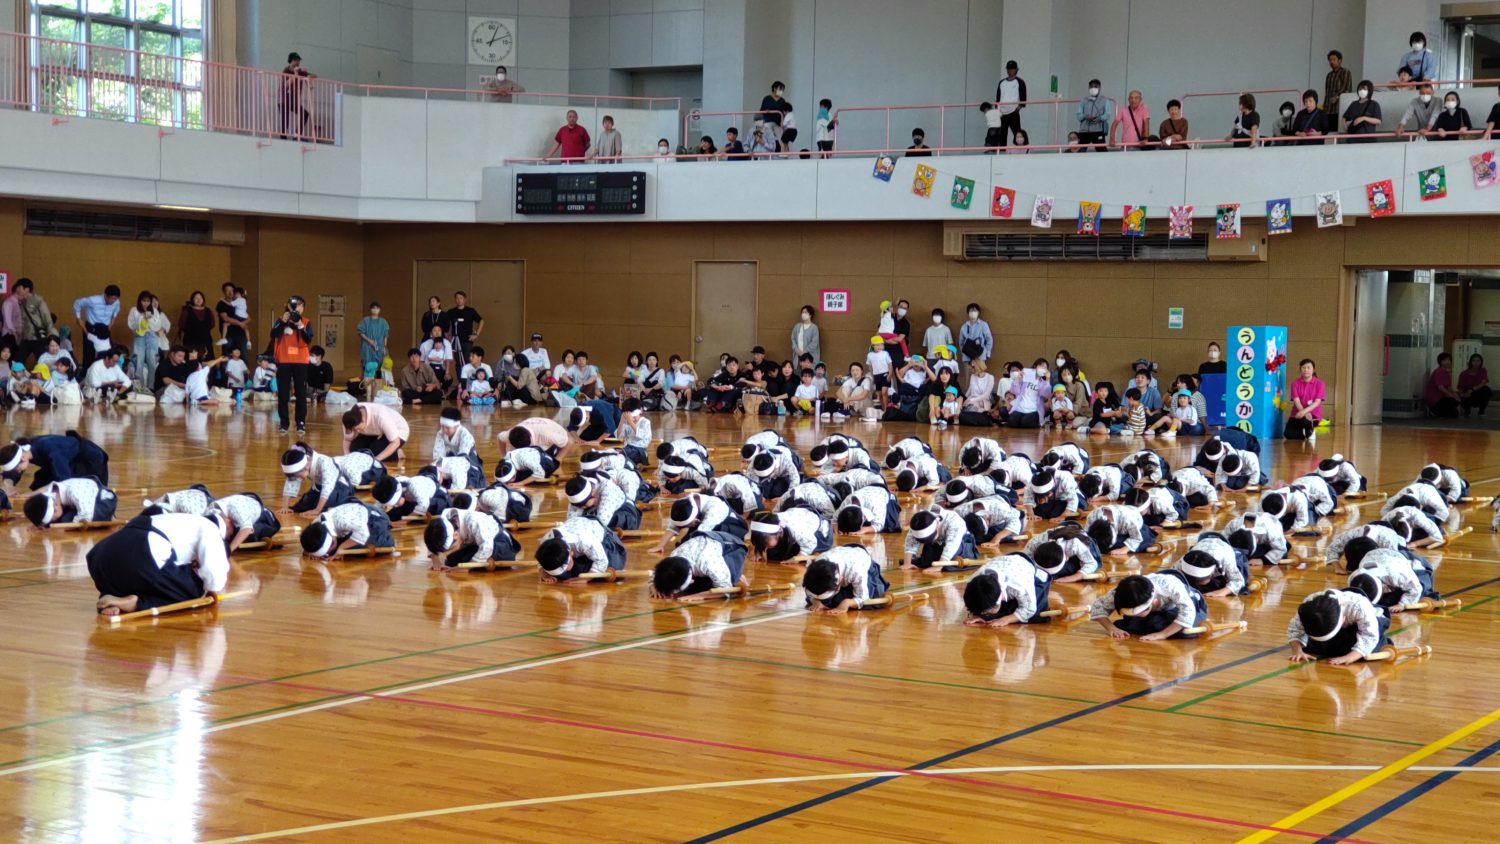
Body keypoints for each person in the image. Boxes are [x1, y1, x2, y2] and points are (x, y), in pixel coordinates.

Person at [87, 511, 230, 617]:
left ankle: (112, 598)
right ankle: (135, 604)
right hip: (142, 554)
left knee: (148, 578)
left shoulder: (175, 519)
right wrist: (211, 591)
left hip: (100, 557)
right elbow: (214, 572)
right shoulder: (210, 528)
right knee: (193, 591)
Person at [1090, 572, 1207, 641]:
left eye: (1138, 613)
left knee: (1185, 630)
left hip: (1184, 605)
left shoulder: (1170, 585)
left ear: (1154, 602)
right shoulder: (1120, 593)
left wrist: (1162, 635)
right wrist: (1111, 628)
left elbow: (1187, 611)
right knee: (1131, 624)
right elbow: (1098, 606)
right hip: (1154, 613)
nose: (1133, 616)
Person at [1287, 588, 1388, 665]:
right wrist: (1297, 651)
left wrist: (1350, 657)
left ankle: (1382, 641)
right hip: (1333, 625)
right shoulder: (1309, 605)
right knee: (1316, 647)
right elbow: (1295, 628)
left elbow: (1369, 636)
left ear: (1343, 619)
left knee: (1352, 649)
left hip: (1373, 620)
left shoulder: (1359, 607)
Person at [0, 431, 110, 492]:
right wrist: (8, 487)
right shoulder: (25, 449)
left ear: (23, 458)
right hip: (70, 460)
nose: (18, 472)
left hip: (89, 461)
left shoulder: (52, 451)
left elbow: (64, 482)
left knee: (53, 490)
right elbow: (10, 473)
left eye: (18, 470)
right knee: (41, 483)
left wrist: (35, 494)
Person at [270, 295, 313, 434]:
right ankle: (284, 423)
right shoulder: (281, 320)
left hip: (301, 361)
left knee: (300, 393)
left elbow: (308, 339)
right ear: (288, 306)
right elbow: (273, 334)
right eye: (295, 305)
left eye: (300, 305)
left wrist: (299, 325)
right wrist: (283, 320)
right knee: (283, 394)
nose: (297, 308)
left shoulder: (306, 322)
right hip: (283, 360)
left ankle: (300, 423)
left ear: (303, 308)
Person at [299, 501, 394, 558]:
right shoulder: (316, 524)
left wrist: (341, 548)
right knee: (335, 551)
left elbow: (363, 533)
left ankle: (386, 539)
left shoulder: (342, 521)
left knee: (350, 550)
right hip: (353, 523)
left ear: (332, 541)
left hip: (376, 519)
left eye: (328, 549)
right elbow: (307, 544)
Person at [23, 476, 118, 527]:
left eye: (52, 518)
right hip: (83, 502)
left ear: (55, 505)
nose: (53, 520)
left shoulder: (74, 492)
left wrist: (66, 527)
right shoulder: (52, 493)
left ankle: (109, 516)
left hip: (103, 501)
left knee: (64, 521)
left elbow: (86, 515)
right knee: (62, 520)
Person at [126, 291, 169, 393]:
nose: (146, 303)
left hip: (152, 337)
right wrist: (141, 318)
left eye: (148, 301)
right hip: (139, 336)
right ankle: (139, 387)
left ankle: (151, 387)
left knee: (152, 362)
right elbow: (131, 325)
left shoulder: (154, 310)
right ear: (139, 301)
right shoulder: (134, 310)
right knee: (138, 362)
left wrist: (149, 318)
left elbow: (157, 326)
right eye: (143, 301)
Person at [72, 284, 120, 370]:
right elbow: (77, 303)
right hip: (92, 327)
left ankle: (105, 373)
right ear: (105, 295)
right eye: (111, 298)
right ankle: (86, 375)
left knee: (108, 352)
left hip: (105, 329)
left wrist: (113, 320)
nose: (113, 301)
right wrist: (78, 318)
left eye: (115, 299)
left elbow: (116, 309)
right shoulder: (93, 300)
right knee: (89, 353)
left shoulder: (116, 302)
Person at [279, 52, 316, 139]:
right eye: (296, 60)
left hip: (293, 100)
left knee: (305, 114)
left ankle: (296, 134)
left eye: (299, 61)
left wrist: (308, 75)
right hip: (284, 98)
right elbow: (285, 85)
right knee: (285, 119)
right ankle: (283, 137)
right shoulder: (286, 70)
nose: (298, 62)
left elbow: (315, 76)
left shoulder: (300, 71)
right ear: (291, 61)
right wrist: (295, 75)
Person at [993, 60, 1027, 146]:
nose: (1010, 71)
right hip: (1002, 113)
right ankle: (1001, 153)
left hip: (1013, 112)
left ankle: (1021, 151)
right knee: (1002, 135)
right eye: (1008, 69)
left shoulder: (1020, 82)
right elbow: (998, 98)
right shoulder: (1002, 82)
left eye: (1012, 69)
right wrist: (997, 111)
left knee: (1017, 134)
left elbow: (1023, 98)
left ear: (1016, 70)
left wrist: (1017, 109)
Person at [175, 290, 214, 360]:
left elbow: (212, 324)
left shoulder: (208, 310)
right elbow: (181, 324)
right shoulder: (187, 311)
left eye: (200, 298)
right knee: (192, 363)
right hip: (191, 341)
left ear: (203, 299)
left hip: (206, 340)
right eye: (196, 298)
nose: (198, 300)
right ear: (192, 300)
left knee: (208, 361)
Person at [356, 301, 389, 381]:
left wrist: (384, 347)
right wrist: (369, 340)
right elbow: (360, 332)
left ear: (380, 310)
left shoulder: (383, 322)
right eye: (373, 308)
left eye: (377, 308)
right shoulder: (366, 320)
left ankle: (377, 388)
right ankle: (367, 388)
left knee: (379, 367)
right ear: (370, 309)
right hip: (367, 347)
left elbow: (385, 335)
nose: (375, 310)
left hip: (379, 347)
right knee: (367, 367)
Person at [215, 282, 250, 358]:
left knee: (243, 356)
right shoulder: (221, 303)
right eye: (227, 290)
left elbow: (248, 317)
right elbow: (225, 318)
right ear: (224, 292)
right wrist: (240, 323)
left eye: (232, 290)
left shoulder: (239, 302)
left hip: (241, 334)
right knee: (227, 357)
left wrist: (244, 323)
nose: (230, 292)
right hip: (228, 335)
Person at [1075, 79, 1111, 151]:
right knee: (1079, 151)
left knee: (1102, 151)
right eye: (1091, 86)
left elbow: (1108, 114)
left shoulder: (1105, 100)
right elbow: (1078, 115)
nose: (1093, 88)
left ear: (1099, 88)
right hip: (1084, 130)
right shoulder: (1084, 100)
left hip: (1098, 130)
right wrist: (1085, 116)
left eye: (1095, 86)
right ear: (1088, 88)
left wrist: (1100, 118)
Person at [957, 304, 992, 374]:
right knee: (968, 379)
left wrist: (988, 353)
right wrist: (964, 352)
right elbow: (961, 342)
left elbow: (989, 339)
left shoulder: (983, 325)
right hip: (967, 357)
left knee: (980, 377)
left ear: (978, 313)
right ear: (968, 313)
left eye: (975, 311)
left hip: (980, 356)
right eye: (971, 311)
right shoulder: (964, 326)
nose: (973, 312)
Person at [1425, 352, 1461, 418]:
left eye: (1449, 360)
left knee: (1455, 412)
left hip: (1442, 398)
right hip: (1435, 400)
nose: (1447, 362)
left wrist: (1455, 394)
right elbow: (1440, 387)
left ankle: (1438, 413)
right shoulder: (1438, 371)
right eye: (1444, 360)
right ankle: (1433, 411)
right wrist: (1451, 395)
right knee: (1452, 401)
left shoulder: (1446, 372)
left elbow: (1448, 387)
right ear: (1440, 362)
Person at [1459, 353, 1491, 417]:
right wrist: (1463, 395)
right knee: (1467, 392)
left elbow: (1483, 382)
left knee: (1486, 390)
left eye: (1478, 361)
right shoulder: (1464, 373)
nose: (1476, 363)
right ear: (1470, 362)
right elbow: (1460, 388)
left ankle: (1481, 411)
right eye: (1474, 360)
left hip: (1477, 393)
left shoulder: (1483, 370)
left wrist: (1473, 389)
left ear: (1481, 362)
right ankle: (1467, 411)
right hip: (1467, 395)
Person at [1323, 50, 1352, 122]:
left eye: (1334, 59)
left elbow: (1347, 88)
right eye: (1330, 60)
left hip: (1339, 108)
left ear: (1340, 60)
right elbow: (1327, 92)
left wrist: (1337, 97)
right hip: (1328, 109)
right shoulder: (1329, 75)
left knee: (1337, 130)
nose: (1331, 62)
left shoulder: (1345, 72)